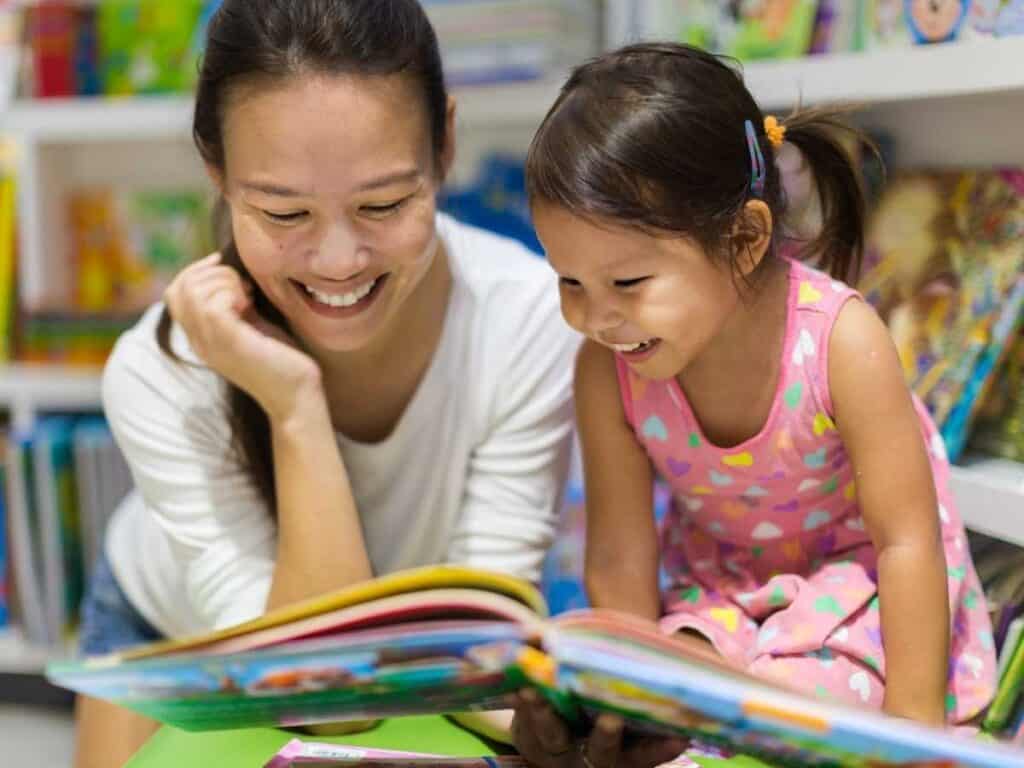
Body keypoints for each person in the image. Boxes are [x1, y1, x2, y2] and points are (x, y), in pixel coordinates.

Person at [73, 2, 581, 766]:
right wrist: (294, 405)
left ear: (445, 143)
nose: (338, 259)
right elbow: (317, 699)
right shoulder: (162, 373)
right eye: (283, 212)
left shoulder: (529, 321)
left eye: (383, 204)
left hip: (414, 662)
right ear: (215, 170)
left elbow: (476, 644)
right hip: (169, 632)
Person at [513, 41, 998, 766]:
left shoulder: (843, 342)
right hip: (721, 593)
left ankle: (734, 707)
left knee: (795, 693)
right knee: (644, 675)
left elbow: (907, 543)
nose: (595, 318)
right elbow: (618, 554)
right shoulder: (606, 369)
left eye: (628, 283)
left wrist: (914, 730)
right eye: (570, 283)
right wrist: (620, 690)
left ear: (744, 240)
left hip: (857, 589)